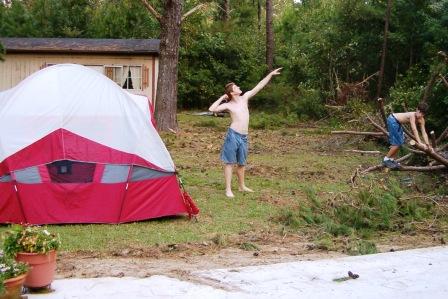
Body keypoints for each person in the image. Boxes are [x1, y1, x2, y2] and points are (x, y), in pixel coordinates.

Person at [209, 68, 282, 197]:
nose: (239, 87)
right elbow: (212, 109)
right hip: (233, 135)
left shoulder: (245, 97)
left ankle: (242, 186)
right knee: (229, 163)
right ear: (232, 92)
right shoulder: (229, 105)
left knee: (242, 163)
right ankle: (228, 189)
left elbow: (259, 86)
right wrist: (222, 97)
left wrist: (270, 75)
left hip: (244, 136)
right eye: (236, 87)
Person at [383, 102, 431, 169]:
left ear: (424, 114)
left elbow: (424, 132)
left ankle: (391, 160)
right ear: (416, 109)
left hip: (397, 123)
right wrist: (419, 142)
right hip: (392, 120)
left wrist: (427, 144)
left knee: (401, 142)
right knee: (397, 143)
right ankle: (386, 159)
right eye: (419, 112)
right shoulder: (412, 116)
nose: (420, 115)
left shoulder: (422, 120)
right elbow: (414, 129)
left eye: (422, 114)